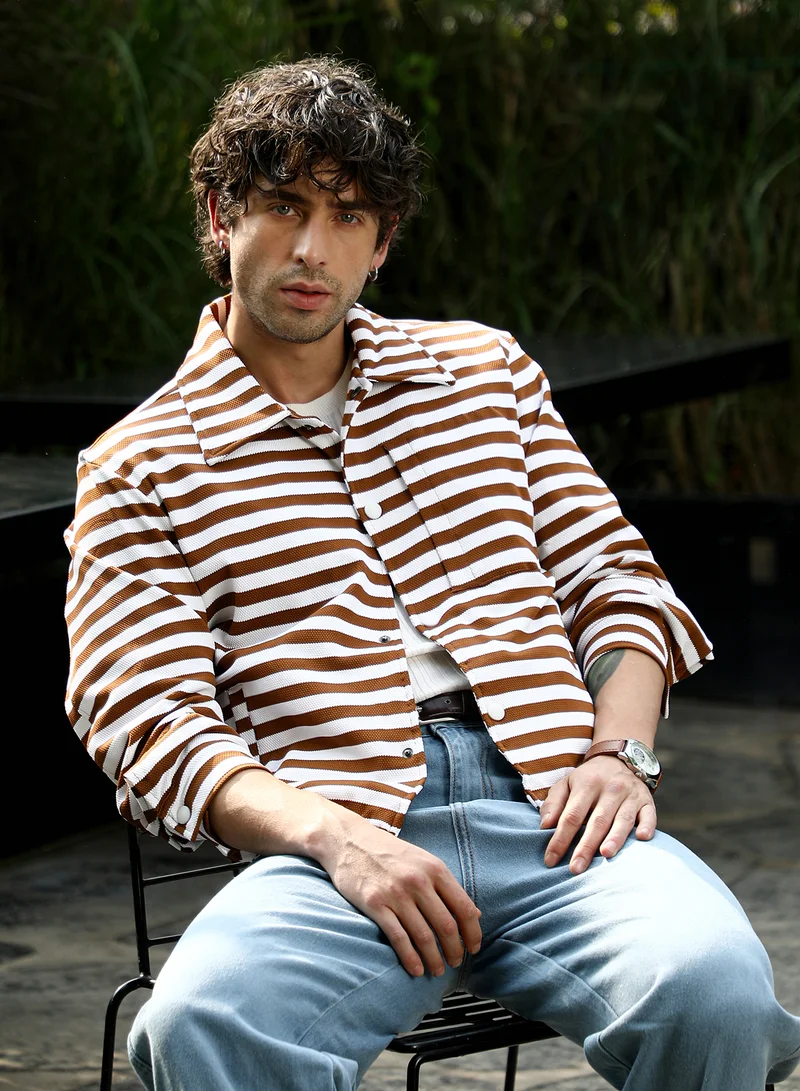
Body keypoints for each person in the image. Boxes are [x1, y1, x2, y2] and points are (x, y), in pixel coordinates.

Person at [64, 57, 799, 1091]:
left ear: (383, 242)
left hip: (554, 812)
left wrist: (619, 753)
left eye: (349, 216)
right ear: (223, 216)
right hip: (334, 839)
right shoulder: (140, 464)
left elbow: (618, 583)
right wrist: (337, 840)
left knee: (715, 991)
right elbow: (147, 720)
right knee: (200, 1022)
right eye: (284, 206)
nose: (313, 249)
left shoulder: (483, 374)